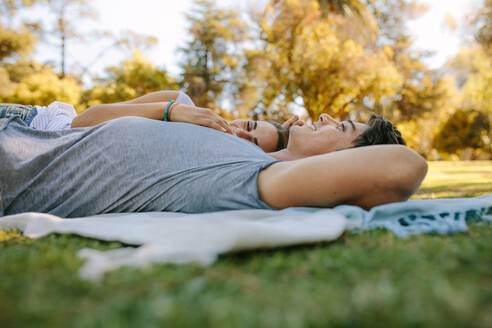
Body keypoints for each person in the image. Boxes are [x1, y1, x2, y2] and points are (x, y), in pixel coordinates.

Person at [0, 102, 427, 218]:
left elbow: (404, 166)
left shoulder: (257, 178)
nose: (324, 117)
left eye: (343, 127)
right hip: (17, 126)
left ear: (347, 159)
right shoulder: (239, 146)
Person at [1, 90, 293, 152]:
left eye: (251, 142)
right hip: (31, 126)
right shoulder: (180, 101)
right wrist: (171, 110)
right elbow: (82, 122)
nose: (240, 133)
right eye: (250, 126)